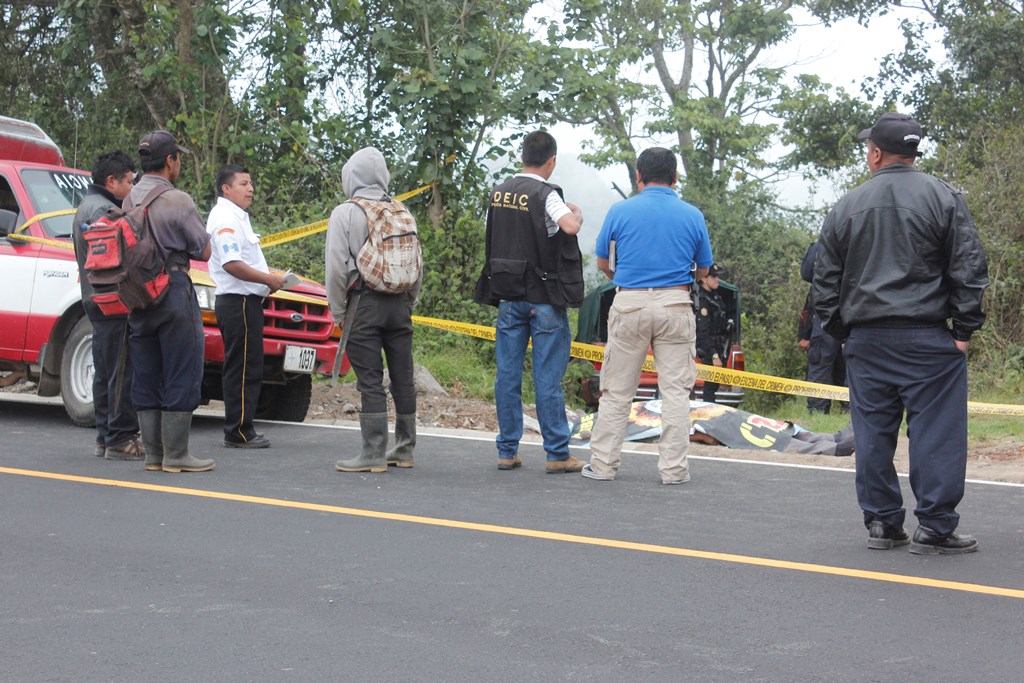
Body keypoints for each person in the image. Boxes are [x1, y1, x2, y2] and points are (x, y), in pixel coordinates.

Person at [813, 112, 989, 554]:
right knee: (937, 433)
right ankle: (934, 526)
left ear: (875, 153)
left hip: (867, 339)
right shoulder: (943, 196)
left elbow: (824, 282)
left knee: (872, 431)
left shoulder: (847, 205)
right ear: (912, 152)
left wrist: (842, 333)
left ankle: (882, 523)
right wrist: (963, 330)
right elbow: (968, 267)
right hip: (928, 336)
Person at [582, 146, 713, 484]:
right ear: (676, 177)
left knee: (617, 390)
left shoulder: (619, 211)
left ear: (638, 176)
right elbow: (704, 268)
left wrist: (628, 282)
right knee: (675, 393)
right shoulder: (692, 215)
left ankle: (603, 466)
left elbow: (602, 263)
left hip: (630, 303)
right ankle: (673, 471)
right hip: (676, 304)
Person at [473, 130, 585, 473]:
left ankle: (507, 450)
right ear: (551, 161)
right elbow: (568, 227)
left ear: (523, 156)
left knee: (507, 374)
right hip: (544, 300)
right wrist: (575, 213)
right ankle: (557, 454)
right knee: (547, 378)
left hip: (508, 297)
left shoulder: (499, 193)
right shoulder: (545, 193)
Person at [326, 147, 420, 473]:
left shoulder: (345, 212)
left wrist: (338, 311)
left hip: (363, 304)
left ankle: (373, 454)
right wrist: (408, 303)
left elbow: (337, 269)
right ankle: (405, 449)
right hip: (400, 305)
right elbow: (416, 262)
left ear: (350, 175)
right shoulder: (402, 210)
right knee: (402, 378)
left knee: (370, 380)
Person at [127, 130, 214, 473]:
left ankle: (152, 454)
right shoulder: (179, 200)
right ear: (170, 161)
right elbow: (203, 249)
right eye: (178, 158)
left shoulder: (128, 198)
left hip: (137, 293)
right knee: (182, 366)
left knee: (147, 369)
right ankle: (177, 455)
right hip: (173, 288)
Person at [206, 165, 286, 449]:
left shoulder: (238, 217)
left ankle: (242, 426)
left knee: (250, 366)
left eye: (251, 183)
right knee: (241, 368)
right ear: (226, 189)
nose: (250, 189)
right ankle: (238, 430)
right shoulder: (225, 218)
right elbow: (231, 263)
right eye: (243, 183)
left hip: (246, 301)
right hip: (237, 301)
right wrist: (268, 279)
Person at [72, 150, 143, 460]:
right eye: (129, 181)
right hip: (113, 299)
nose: (132, 188)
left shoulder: (86, 206)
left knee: (105, 368)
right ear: (111, 181)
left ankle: (105, 435)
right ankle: (119, 438)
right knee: (120, 370)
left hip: (94, 297)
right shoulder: (105, 211)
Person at [797, 242, 846, 414]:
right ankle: (850, 410)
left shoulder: (821, 249)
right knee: (847, 364)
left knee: (821, 363)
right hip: (850, 317)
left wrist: (805, 334)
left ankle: (818, 410)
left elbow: (812, 307)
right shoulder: (856, 245)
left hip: (825, 320)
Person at [693, 263, 729, 403]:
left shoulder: (715, 297)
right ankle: (708, 415)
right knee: (709, 388)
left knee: (715, 386)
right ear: (703, 279)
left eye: (717, 276)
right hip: (708, 350)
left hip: (719, 347)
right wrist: (713, 355)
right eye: (713, 276)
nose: (717, 279)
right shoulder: (702, 300)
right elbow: (703, 332)